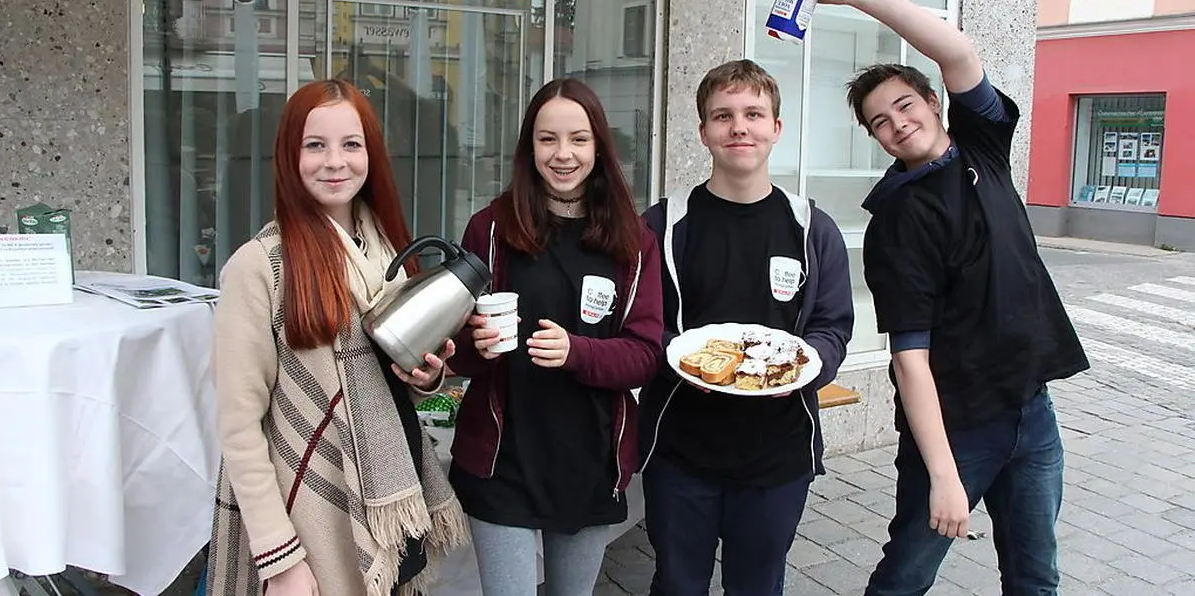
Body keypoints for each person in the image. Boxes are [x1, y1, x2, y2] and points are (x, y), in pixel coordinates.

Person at [812, 0, 1089, 594]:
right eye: (880, 121)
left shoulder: (982, 150)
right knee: (906, 576)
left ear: (934, 102)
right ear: (875, 139)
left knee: (1036, 576)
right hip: (959, 427)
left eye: (905, 104)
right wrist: (942, 473)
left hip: (1031, 409)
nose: (898, 123)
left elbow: (956, 51)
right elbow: (910, 360)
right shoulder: (897, 221)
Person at [206, 79, 469, 596]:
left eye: (351, 145)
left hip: (391, 491)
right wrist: (279, 558)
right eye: (315, 145)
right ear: (289, 155)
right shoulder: (260, 267)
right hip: (309, 513)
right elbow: (238, 426)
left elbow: (392, 382)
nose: (335, 161)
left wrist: (426, 376)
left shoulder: (386, 247)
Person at [637, 59, 855, 595]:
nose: (739, 127)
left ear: (776, 128)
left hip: (779, 454)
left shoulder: (811, 228)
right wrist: (678, 355)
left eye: (754, 113)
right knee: (677, 584)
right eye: (723, 115)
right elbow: (643, 326)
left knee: (758, 586)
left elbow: (832, 326)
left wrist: (805, 367)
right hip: (680, 449)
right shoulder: (663, 225)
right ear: (703, 131)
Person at [445, 77, 664, 596]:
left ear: (599, 148)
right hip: (502, 462)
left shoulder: (633, 242)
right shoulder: (490, 228)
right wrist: (472, 343)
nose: (563, 154)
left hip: (588, 460)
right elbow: (458, 352)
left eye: (578, 139)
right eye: (548, 139)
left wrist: (577, 352)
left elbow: (645, 355)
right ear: (529, 147)